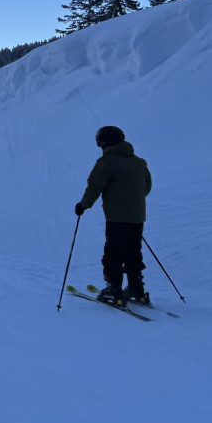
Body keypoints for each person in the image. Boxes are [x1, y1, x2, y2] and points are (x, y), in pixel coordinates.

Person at [75, 126, 152, 305]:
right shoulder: (139, 162)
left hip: (117, 218)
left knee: (114, 253)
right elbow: (145, 188)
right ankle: (136, 288)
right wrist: (132, 202)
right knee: (134, 252)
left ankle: (114, 289)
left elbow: (94, 186)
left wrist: (83, 206)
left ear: (103, 142)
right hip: (137, 216)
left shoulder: (107, 162)